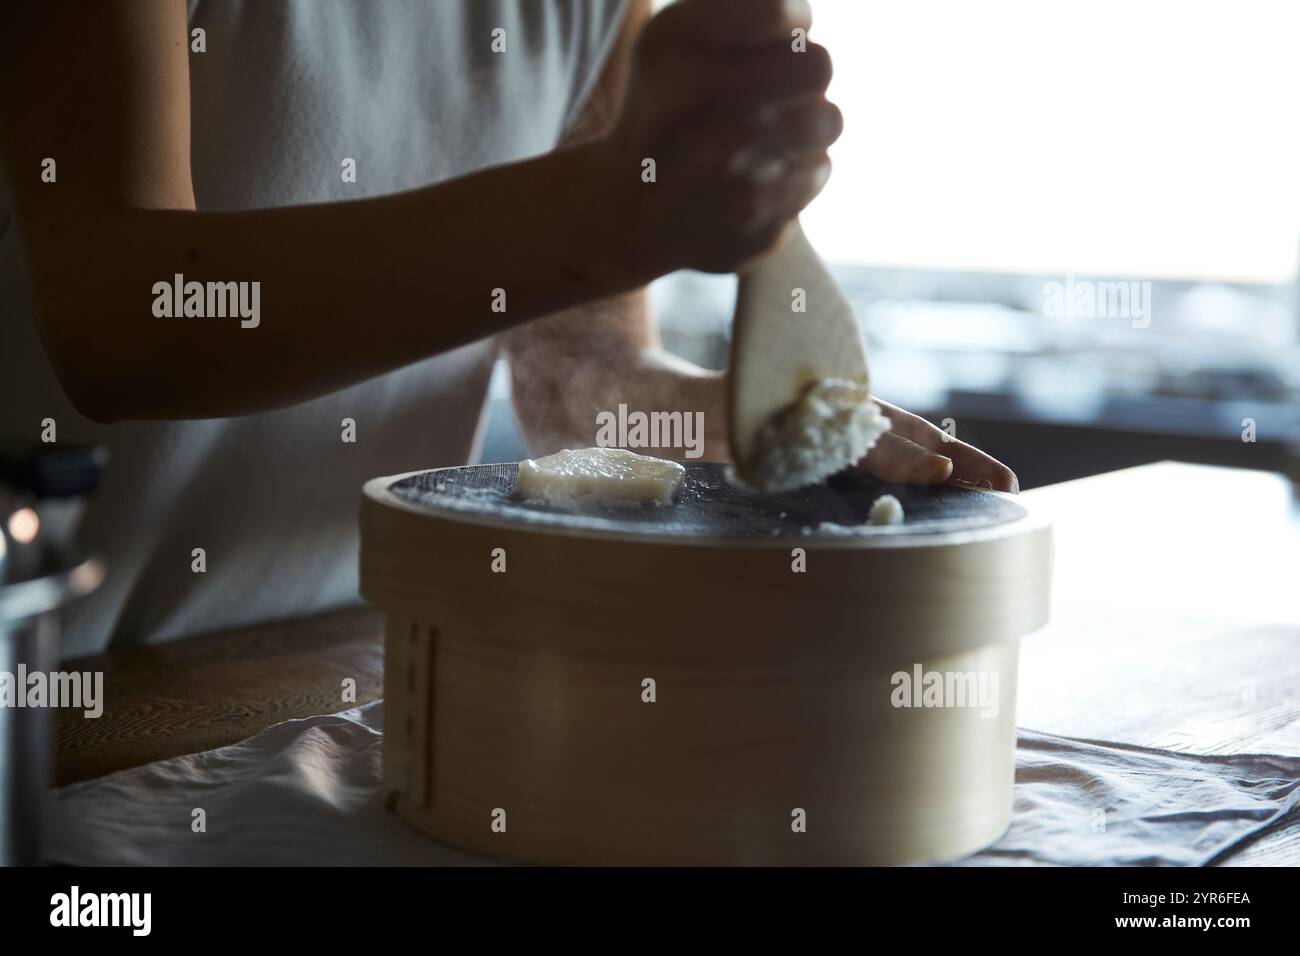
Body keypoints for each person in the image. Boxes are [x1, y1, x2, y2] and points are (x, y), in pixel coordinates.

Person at [0, 0, 1016, 657]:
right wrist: (611, 215)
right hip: (61, 699)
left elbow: (581, 385)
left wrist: (763, 418)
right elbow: (123, 319)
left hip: (349, 667)